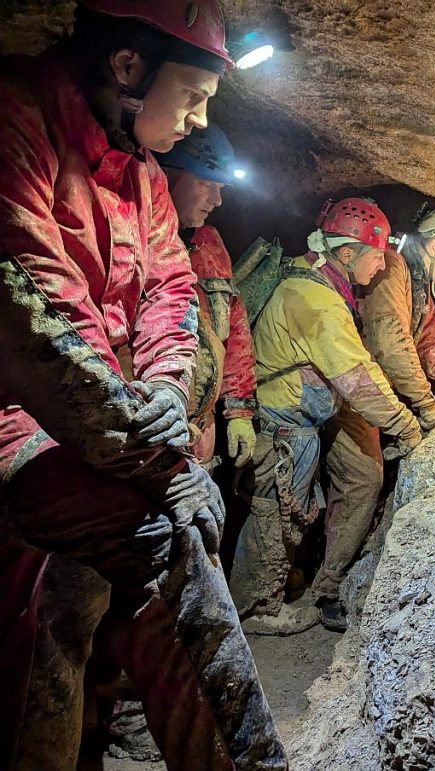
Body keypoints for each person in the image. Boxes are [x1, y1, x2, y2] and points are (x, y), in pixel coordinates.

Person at [0, 1, 286, 769]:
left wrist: (161, 388)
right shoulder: (15, 128)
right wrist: (159, 462)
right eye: (191, 98)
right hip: (21, 419)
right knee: (164, 543)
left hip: (102, 425)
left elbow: (169, 289)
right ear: (128, 68)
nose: (195, 121)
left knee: (70, 607)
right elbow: (45, 329)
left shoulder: (144, 175)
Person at [231, 197, 422, 635]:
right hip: (285, 419)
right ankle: (258, 607)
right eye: (377, 257)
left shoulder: (320, 279)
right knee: (276, 511)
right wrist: (406, 425)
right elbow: (357, 377)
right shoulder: (317, 299)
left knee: (361, 478)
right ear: (348, 253)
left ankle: (323, 586)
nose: (381, 269)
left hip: (313, 411)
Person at [157, 123, 257, 468]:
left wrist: (240, 409)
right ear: (167, 176)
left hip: (203, 425)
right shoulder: (134, 240)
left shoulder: (209, 244)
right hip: (149, 432)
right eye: (206, 184)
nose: (217, 200)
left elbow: (235, 329)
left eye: (221, 188)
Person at [360, 206, 435, 430]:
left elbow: (429, 336)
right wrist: (424, 401)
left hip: (378, 386)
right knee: (365, 464)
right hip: (359, 387)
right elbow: (391, 342)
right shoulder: (392, 268)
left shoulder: (419, 281)